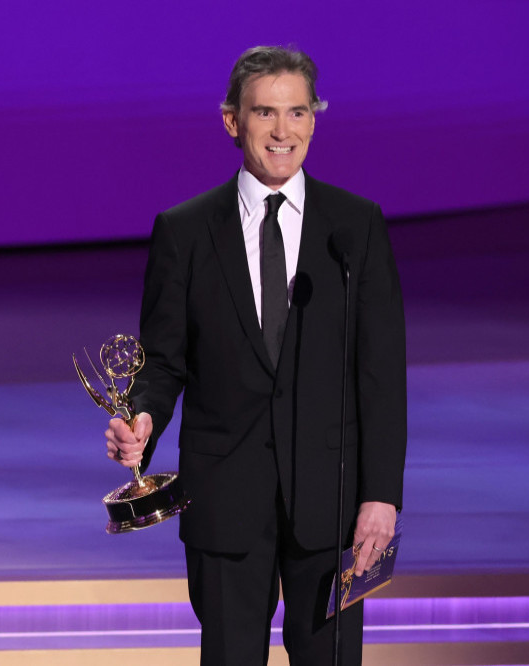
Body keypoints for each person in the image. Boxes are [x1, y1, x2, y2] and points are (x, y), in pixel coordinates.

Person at [105, 45, 407, 666]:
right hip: (223, 497)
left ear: (314, 121)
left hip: (332, 505)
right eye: (264, 113)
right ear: (231, 121)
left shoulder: (356, 227)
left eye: (296, 113)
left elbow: (381, 376)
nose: (281, 131)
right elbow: (162, 363)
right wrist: (142, 417)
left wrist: (382, 495)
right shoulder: (185, 232)